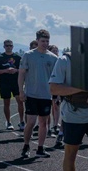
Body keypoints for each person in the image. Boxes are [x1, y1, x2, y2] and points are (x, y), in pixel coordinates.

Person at [18, 29, 59, 159]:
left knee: (43, 123)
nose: (45, 43)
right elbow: (22, 74)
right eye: (42, 41)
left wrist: (56, 93)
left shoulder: (53, 58)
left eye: (47, 41)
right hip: (31, 94)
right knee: (30, 122)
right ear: (37, 41)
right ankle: (26, 145)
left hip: (46, 96)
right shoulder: (28, 55)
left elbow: (56, 78)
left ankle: (40, 148)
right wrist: (21, 91)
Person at [0, 39, 23, 130]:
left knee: (20, 101)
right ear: (4, 47)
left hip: (16, 82)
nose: (9, 47)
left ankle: (21, 121)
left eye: (10, 45)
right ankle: (9, 122)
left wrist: (16, 70)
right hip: (4, 83)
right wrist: (6, 71)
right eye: (7, 46)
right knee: (7, 103)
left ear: (13, 46)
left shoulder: (18, 57)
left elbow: (22, 70)